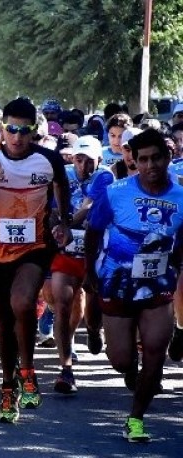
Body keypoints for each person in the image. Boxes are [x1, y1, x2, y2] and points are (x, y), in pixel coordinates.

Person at [0, 98, 71, 424]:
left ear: (34, 131)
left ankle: (29, 369)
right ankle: (9, 385)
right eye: (11, 129)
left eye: (25, 130)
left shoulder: (48, 160)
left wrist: (63, 223)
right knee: (3, 324)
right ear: (3, 128)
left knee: (23, 302)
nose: (18, 136)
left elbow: (62, 191)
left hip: (35, 248)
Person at [83, 128, 183, 443]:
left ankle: (136, 418)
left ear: (169, 157)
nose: (150, 165)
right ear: (134, 162)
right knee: (122, 359)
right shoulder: (115, 192)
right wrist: (90, 273)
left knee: (156, 352)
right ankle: (130, 368)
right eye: (143, 159)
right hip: (117, 283)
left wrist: (176, 267)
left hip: (159, 286)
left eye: (156, 158)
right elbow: (93, 233)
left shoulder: (182, 197)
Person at [49, 135, 112, 394]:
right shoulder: (62, 174)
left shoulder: (104, 177)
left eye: (89, 160)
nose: (83, 165)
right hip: (66, 249)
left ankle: (95, 330)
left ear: (99, 160)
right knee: (62, 304)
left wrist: (65, 224)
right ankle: (65, 371)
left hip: (94, 250)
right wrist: (56, 225)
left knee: (94, 308)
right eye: (79, 159)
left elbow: (88, 208)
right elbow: (51, 207)